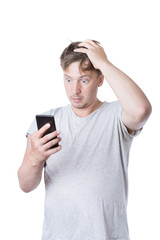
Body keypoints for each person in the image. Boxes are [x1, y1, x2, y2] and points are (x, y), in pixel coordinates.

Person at [18, 40, 152, 240]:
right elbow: (25, 185)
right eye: (68, 80)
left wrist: (104, 63)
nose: (75, 91)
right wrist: (35, 158)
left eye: (84, 80)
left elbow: (141, 110)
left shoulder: (116, 115)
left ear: (100, 80)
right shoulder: (48, 121)